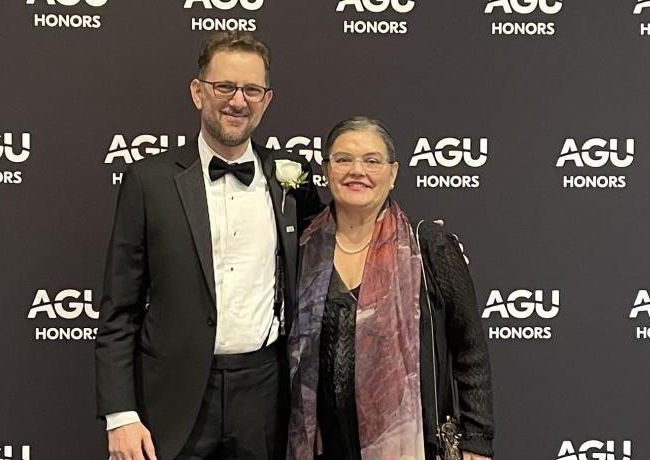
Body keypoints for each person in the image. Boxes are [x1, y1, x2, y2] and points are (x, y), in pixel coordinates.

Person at [95, 31, 323, 460]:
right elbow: (119, 311)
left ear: (267, 100)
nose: (238, 101)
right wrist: (120, 415)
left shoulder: (293, 179)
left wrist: (423, 242)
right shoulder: (149, 182)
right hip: (172, 399)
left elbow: (342, 241)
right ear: (198, 92)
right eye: (225, 87)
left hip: (265, 396)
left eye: (251, 90)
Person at [286, 117, 494, 460]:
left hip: (408, 445)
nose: (357, 170)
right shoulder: (302, 248)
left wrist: (477, 439)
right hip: (322, 447)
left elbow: (470, 350)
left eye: (372, 160)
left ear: (393, 173)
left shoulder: (428, 247)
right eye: (343, 159)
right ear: (326, 170)